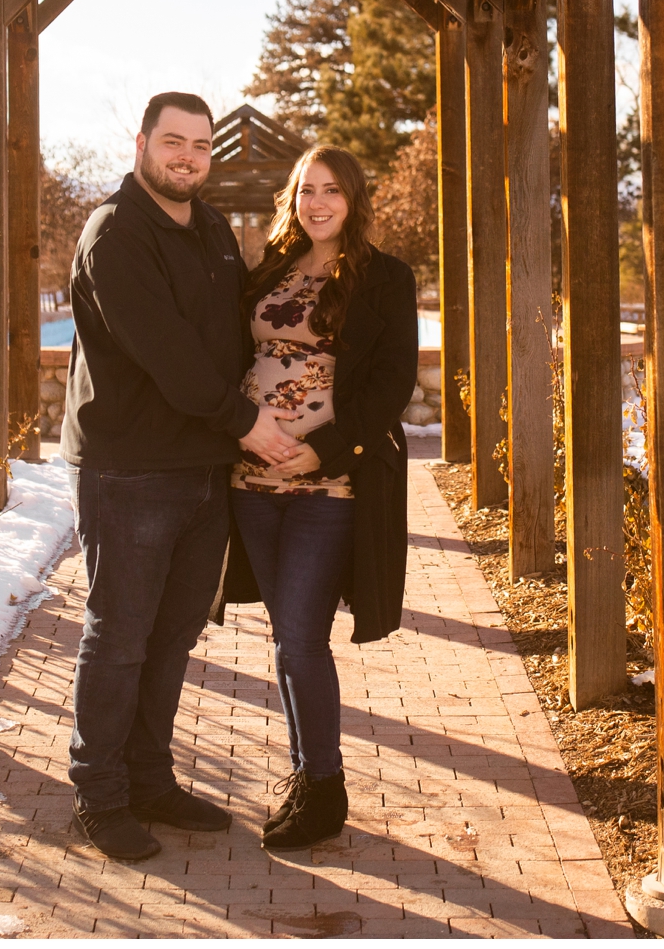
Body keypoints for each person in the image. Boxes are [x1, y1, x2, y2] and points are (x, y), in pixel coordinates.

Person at [60, 91, 307, 862]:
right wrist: (248, 425)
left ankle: (150, 778)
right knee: (121, 635)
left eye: (201, 146)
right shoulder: (115, 232)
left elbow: (241, 329)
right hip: (131, 470)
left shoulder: (211, 231)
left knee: (171, 637)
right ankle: (100, 794)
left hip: (201, 469)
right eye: (174, 142)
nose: (188, 157)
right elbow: (167, 352)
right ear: (141, 143)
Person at [220, 144, 418, 850]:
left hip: (327, 484)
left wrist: (322, 448)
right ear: (293, 197)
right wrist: (245, 431)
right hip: (251, 482)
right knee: (286, 636)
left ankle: (324, 786)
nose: (319, 202)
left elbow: (390, 383)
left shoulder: (384, 278)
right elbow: (233, 357)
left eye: (332, 190)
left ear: (353, 198)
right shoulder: (267, 270)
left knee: (303, 635)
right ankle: (308, 773)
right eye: (308, 189)